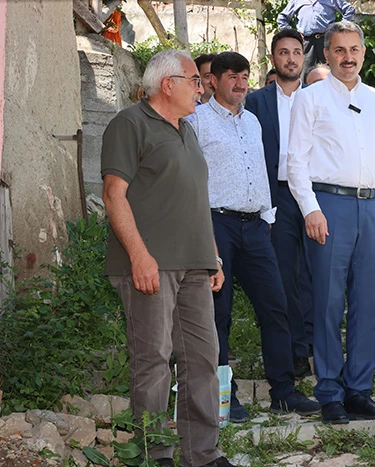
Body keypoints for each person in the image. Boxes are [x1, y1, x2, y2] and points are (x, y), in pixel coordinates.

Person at [101, 49, 235, 467]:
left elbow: (195, 198)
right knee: (153, 363)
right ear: (168, 84)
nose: (202, 87)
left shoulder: (187, 130)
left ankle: (203, 455)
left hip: (195, 266)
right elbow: (113, 195)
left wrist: (211, 252)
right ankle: (154, 456)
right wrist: (139, 256)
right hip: (149, 267)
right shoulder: (129, 124)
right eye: (196, 80)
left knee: (202, 361)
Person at [287, 21, 375, 424]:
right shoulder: (310, 99)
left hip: (372, 208)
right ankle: (329, 393)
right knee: (326, 301)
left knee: (365, 303)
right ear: (327, 54)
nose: (348, 57)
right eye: (339, 50)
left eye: (354, 49)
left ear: (363, 52)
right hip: (329, 206)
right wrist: (310, 209)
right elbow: (295, 162)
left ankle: (359, 390)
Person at [186, 51, 320, 423]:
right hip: (217, 225)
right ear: (213, 80)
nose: (241, 84)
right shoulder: (195, 121)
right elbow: (190, 180)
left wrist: (267, 216)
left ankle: (284, 391)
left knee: (276, 308)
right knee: (219, 312)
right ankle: (223, 396)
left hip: (258, 226)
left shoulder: (254, 122)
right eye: (232, 76)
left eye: (245, 76)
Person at [245, 29, 313, 380]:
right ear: (273, 59)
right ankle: (296, 350)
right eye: (283, 52)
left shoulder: (318, 98)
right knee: (286, 275)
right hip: (277, 197)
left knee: (317, 273)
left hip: (315, 195)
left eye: (296, 52)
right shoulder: (256, 102)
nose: (290, 58)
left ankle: (320, 344)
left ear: (304, 57)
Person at [277, 0, 355, 72]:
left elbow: (349, 9)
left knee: (331, 70)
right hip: (306, 42)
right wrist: (293, 34)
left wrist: (339, 28)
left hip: (326, 40)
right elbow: (282, 18)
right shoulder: (297, 1)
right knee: (305, 72)